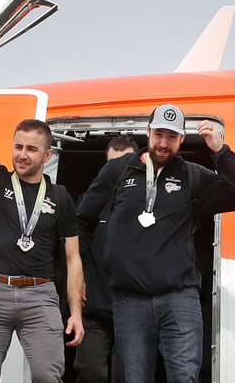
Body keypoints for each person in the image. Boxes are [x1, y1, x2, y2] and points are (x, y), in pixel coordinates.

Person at [76, 104, 235, 383]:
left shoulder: (193, 176)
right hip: (130, 299)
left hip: (179, 298)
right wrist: (84, 274)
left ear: (181, 139)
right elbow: (81, 222)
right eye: (158, 134)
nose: (163, 143)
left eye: (171, 137)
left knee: (184, 377)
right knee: (135, 379)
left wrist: (220, 151)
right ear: (147, 132)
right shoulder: (118, 171)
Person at [0, 44, 85, 383]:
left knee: (46, 377)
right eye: (18, 146)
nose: (22, 155)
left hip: (40, 298)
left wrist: (76, 313)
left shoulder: (60, 196)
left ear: (47, 154)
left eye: (31, 149)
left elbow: (73, 259)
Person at [73, 135, 139, 383]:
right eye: (111, 164)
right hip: (95, 309)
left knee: (128, 376)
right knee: (91, 373)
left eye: (123, 164)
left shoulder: (150, 202)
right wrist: (78, 281)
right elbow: (73, 244)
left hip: (134, 310)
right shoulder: (90, 204)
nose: (117, 170)